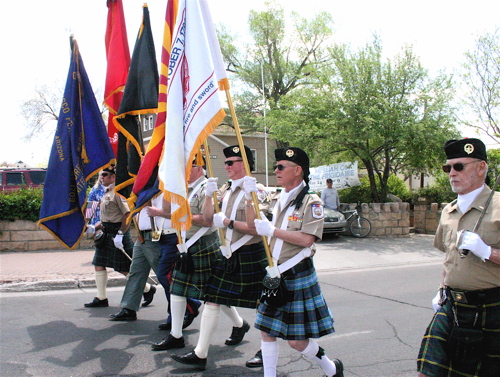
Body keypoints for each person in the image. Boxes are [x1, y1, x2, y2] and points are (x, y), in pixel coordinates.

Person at [171, 145, 268, 370]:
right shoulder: (224, 189)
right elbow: (207, 217)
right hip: (228, 254)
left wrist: (228, 222)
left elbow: (257, 229)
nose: (226, 166)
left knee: (265, 306)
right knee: (212, 298)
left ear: (244, 164)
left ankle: (266, 349)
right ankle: (200, 354)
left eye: (231, 162)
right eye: (225, 163)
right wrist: (208, 195)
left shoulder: (257, 190)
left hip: (251, 253)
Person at [250, 147, 343, 377]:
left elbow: (306, 239)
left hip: (296, 274)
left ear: (298, 170)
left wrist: (271, 230)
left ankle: (331, 368)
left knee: (296, 342)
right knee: (266, 331)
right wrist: (247, 193)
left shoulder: (311, 202)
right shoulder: (276, 198)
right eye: (276, 166)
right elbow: (254, 216)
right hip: (273, 274)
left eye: (281, 167)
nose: (276, 171)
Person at [417, 138, 500, 377]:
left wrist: (487, 252)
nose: (452, 173)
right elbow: (449, 259)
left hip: (491, 308)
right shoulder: (448, 210)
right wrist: (442, 288)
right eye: (448, 168)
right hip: (453, 306)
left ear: (481, 167)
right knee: (427, 371)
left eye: (459, 166)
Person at [151, 159, 223, 350]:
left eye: (187, 167)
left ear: (198, 168)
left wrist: (182, 216)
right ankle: (176, 336)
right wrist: (167, 183)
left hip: (203, 244)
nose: (183, 171)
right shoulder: (184, 188)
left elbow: (208, 221)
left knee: (212, 294)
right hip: (184, 244)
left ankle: (240, 324)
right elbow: (167, 212)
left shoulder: (208, 187)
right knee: (177, 289)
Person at [84, 166, 134, 308]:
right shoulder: (106, 192)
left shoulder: (118, 193)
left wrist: (120, 234)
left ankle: (147, 289)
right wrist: (94, 227)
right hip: (106, 232)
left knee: (122, 268)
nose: (102, 177)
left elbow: (127, 214)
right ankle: (101, 298)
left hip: (117, 232)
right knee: (99, 264)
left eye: (105, 174)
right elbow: (106, 217)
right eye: (100, 175)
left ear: (113, 176)